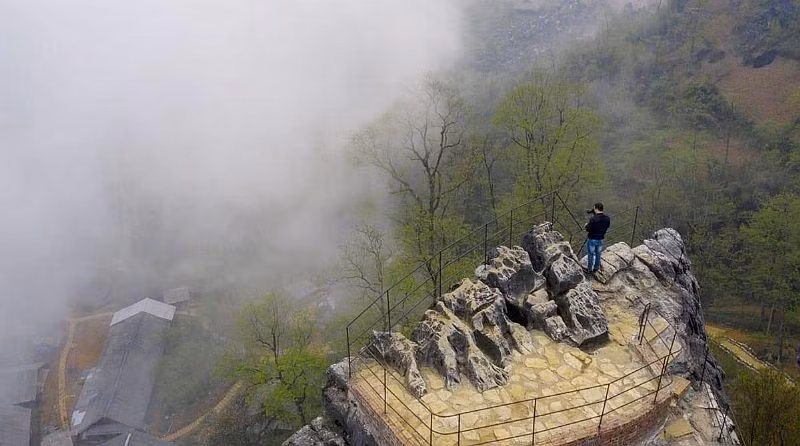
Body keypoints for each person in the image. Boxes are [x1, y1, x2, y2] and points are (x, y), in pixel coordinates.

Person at [585, 202, 610, 274]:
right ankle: (596, 268)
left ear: (595, 208)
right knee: (598, 254)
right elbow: (606, 227)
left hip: (592, 239)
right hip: (601, 238)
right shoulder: (607, 218)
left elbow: (589, 229)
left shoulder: (593, 219)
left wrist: (586, 226)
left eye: (594, 208)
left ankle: (590, 270)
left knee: (591, 254)